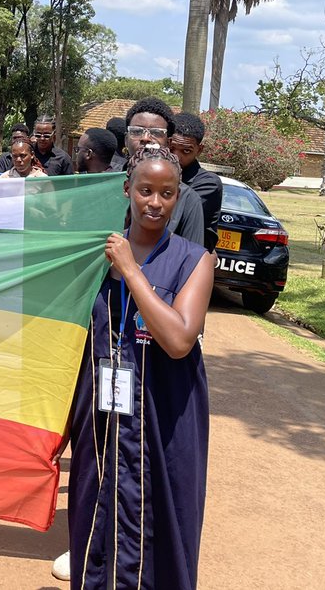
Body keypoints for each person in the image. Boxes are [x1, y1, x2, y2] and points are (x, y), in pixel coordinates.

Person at [67, 146, 214, 589]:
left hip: (164, 415)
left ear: (179, 197)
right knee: (94, 517)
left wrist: (132, 271)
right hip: (101, 417)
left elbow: (178, 339)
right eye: (146, 190)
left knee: (165, 524)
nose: (155, 202)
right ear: (127, 189)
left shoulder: (195, 260)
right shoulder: (94, 256)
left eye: (167, 193)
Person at [125, 98, 205, 248]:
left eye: (156, 132)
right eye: (136, 131)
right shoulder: (102, 189)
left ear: (168, 143)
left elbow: (192, 260)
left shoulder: (188, 200)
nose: (145, 138)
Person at [170, 113, 223, 252]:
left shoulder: (208, 184)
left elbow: (175, 214)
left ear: (199, 150)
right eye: (171, 149)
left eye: (186, 151)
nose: (176, 157)